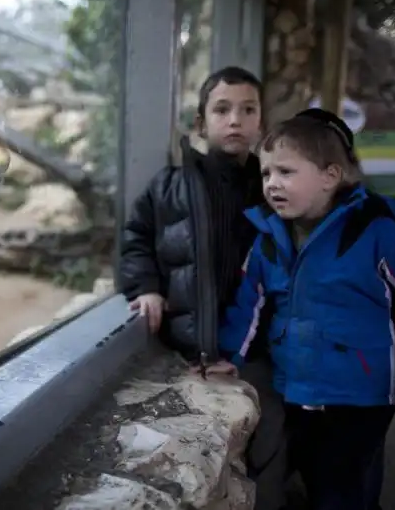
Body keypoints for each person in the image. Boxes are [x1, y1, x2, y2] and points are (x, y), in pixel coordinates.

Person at [209, 108, 395, 510]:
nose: (272, 185)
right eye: (266, 174)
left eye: (286, 172)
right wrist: (229, 355)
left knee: (347, 490)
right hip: (296, 387)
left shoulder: (383, 227)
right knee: (313, 478)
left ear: (331, 176)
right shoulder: (268, 236)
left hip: (361, 397)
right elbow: (250, 301)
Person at [119, 66, 288, 510]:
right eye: (222, 109)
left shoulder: (272, 187)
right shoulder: (169, 186)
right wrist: (147, 287)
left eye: (248, 110)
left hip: (259, 349)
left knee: (272, 438)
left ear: (260, 122)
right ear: (201, 123)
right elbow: (136, 239)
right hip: (191, 347)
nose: (235, 120)